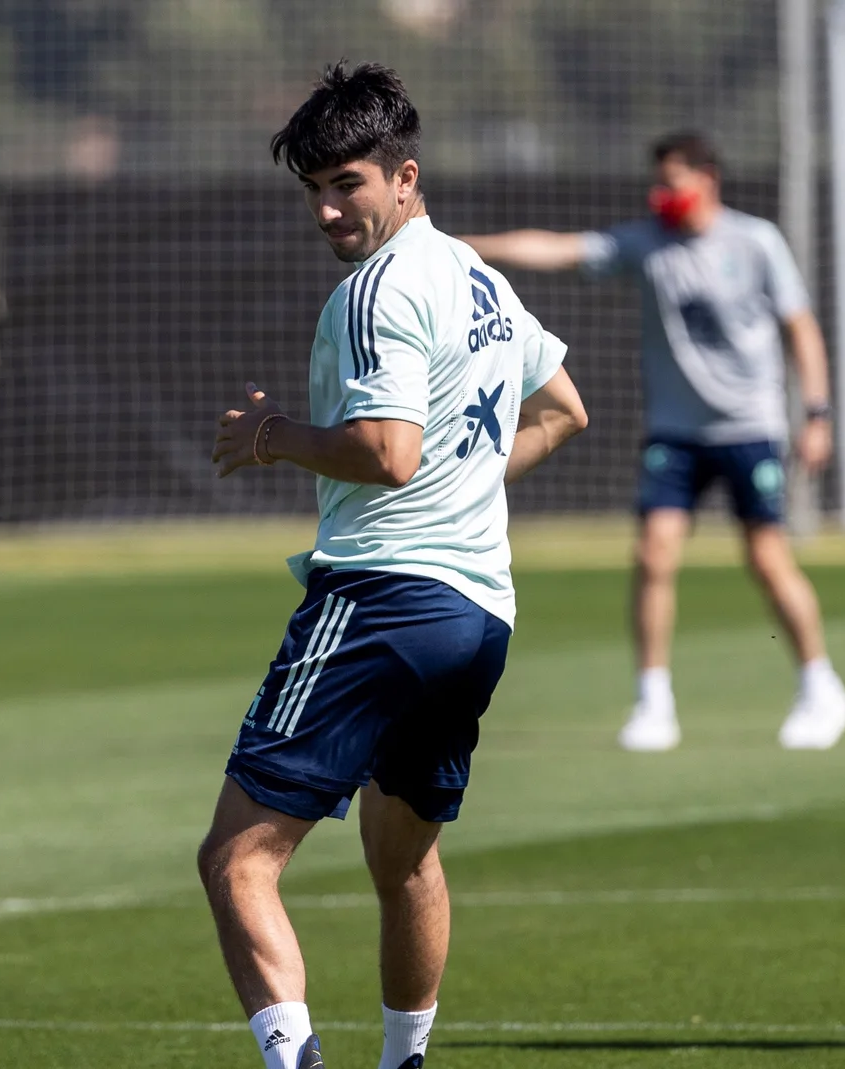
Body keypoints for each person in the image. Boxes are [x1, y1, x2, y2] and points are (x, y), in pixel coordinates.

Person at [200, 63, 588, 1069]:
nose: (329, 208)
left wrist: (277, 435)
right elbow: (564, 410)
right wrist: (467, 484)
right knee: (403, 854)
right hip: (479, 615)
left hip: (382, 596)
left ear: (404, 176)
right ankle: (405, 1060)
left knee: (237, 859)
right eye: (315, 189)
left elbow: (385, 451)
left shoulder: (377, 289)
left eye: (350, 184)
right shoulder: (478, 276)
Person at [460, 131, 845, 753]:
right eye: (656, 183)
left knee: (768, 560)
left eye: (671, 182)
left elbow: (800, 326)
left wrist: (818, 414)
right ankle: (653, 701)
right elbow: (559, 249)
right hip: (676, 432)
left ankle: (820, 686)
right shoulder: (644, 243)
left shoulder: (755, 242)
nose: (660, 195)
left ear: (707, 180)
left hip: (751, 429)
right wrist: (463, 249)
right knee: (653, 555)